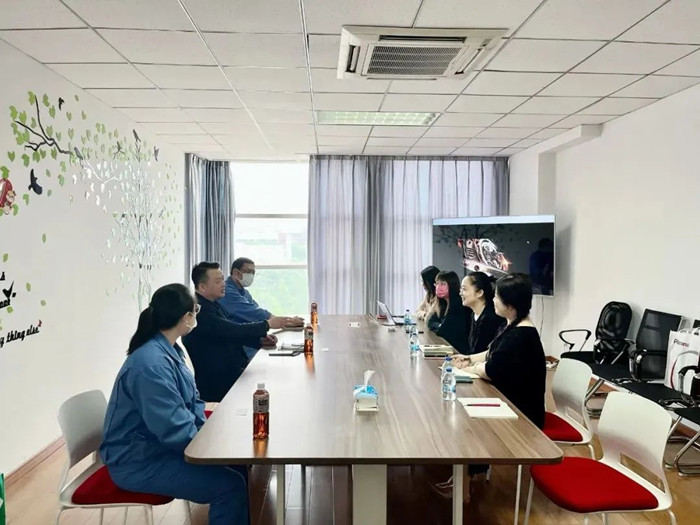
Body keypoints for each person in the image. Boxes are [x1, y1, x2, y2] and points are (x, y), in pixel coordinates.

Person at [100, 283, 250, 525]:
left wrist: (208, 436)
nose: (196, 315)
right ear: (186, 317)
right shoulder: (151, 365)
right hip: (139, 462)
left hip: (158, 448)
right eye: (196, 310)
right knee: (230, 486)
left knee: (239, 467)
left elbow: (193, 402)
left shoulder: (168, 350)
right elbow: (173, 429)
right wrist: (212, 447)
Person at [453, 273, 546, 428]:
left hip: (522, 416)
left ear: (509, 305)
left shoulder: (520, 335)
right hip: (508, 403)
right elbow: (493, 352)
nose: (493, 300)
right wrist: (469, 358)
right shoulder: (511, 326)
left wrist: (471, 368)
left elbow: (490, 370)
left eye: (496, 297)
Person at [183, 262, 285, 402]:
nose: (223, 284)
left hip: (231, 371)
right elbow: (232, 330)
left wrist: (259, 341)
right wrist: (267, 324)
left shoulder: (214, 304)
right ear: (202, 287)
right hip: (217, 382)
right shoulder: (200, 311)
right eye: (218, 281)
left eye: (222, 279)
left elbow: (229, 333)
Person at [219, 257, 304, 359]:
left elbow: (256, 309)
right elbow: (254, 313)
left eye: (253, 273)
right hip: (236, 347)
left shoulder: (244, 292)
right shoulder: (227, 291)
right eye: (248, 272)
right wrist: (287, 321)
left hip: (247, 340)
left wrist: (285, 321)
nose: (251, 275)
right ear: (236, 273)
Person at [459, 271, 505, 355]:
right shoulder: (474, 314)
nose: (460, 293)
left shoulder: (490, 318)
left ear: (479, 293)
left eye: (464, 289)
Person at [427, 270, 471, 354]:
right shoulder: (442, 303)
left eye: (443, 284)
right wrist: (440, 325)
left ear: (452, 285)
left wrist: (440, 326)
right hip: (448, 346)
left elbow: (444, 331)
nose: (438, 287)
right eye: (437, 283)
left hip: (459, 351)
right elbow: (430, 322)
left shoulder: (459, 304)